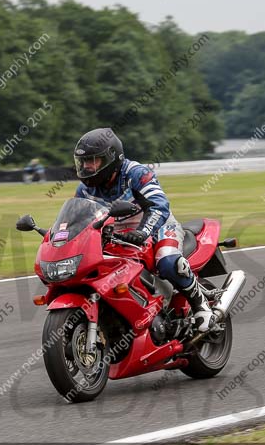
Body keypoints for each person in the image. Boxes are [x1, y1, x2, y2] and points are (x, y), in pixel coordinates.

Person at [73, 127, 214, 332]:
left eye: (92, 161)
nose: (86, 167)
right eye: (83, 162)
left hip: (158, 225)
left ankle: (201, 306)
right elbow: (79, 219)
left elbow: (159, 205)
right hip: (118, 234)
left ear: (111, 158)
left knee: (167, 261)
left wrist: (144, 231)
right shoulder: (85, 189)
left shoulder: (136, 173)